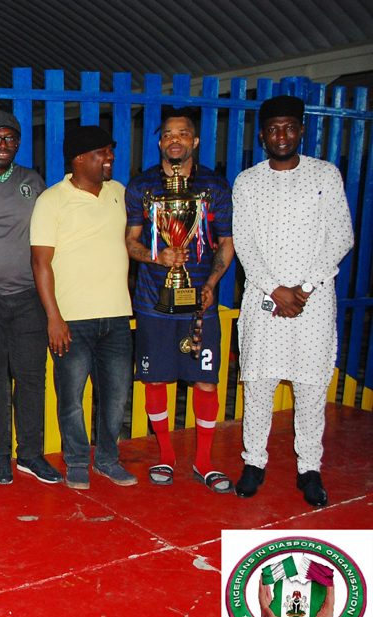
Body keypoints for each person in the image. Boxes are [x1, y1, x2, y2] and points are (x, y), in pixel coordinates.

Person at [232, 95, 353, 508]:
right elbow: (244, 242)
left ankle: (309, 469)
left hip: (313, 301)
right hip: (265, 300)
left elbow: (341, 236)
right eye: (272, 129)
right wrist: (274, 288)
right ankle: (254, 462)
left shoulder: (326, 174)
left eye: (288, 127)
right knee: (259, 385)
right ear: (262, 136)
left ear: (301, 130)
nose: (280, 135)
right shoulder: (247, 182)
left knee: (310, 387)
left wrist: (304, 287)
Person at [124, 106, 235, 493]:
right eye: (169, 134)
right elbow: (131, 241)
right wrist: (159, 256)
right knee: (156, 379)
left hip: (200, 304)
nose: (175, 140)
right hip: (154, 300)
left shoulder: (215, 187)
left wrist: (213, 282)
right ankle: (167, 456)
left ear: (195, 141)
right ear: (160, 142)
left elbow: (226, 243)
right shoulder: (141, 187)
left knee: (205, 381)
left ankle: (203, 461)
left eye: (183, 134)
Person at [30, 125, 136, 490]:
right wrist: (54, 318)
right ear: (78, 158)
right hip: (72, 320)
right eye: (101, 153)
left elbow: (132, 242)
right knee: (72, 397)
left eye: (110, 152)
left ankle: (108, 459)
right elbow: (40, 262)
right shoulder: (51, 200)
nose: (109, 159)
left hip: (118, 316)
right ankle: (77, 461)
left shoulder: (119, 192)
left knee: (116, 395)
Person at [0, 111, 58, 485]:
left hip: (28, 299)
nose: (4, 146)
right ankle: (0, 455)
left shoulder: (31, 181)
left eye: (11, 139)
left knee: (32, 378)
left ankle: (30, 454)